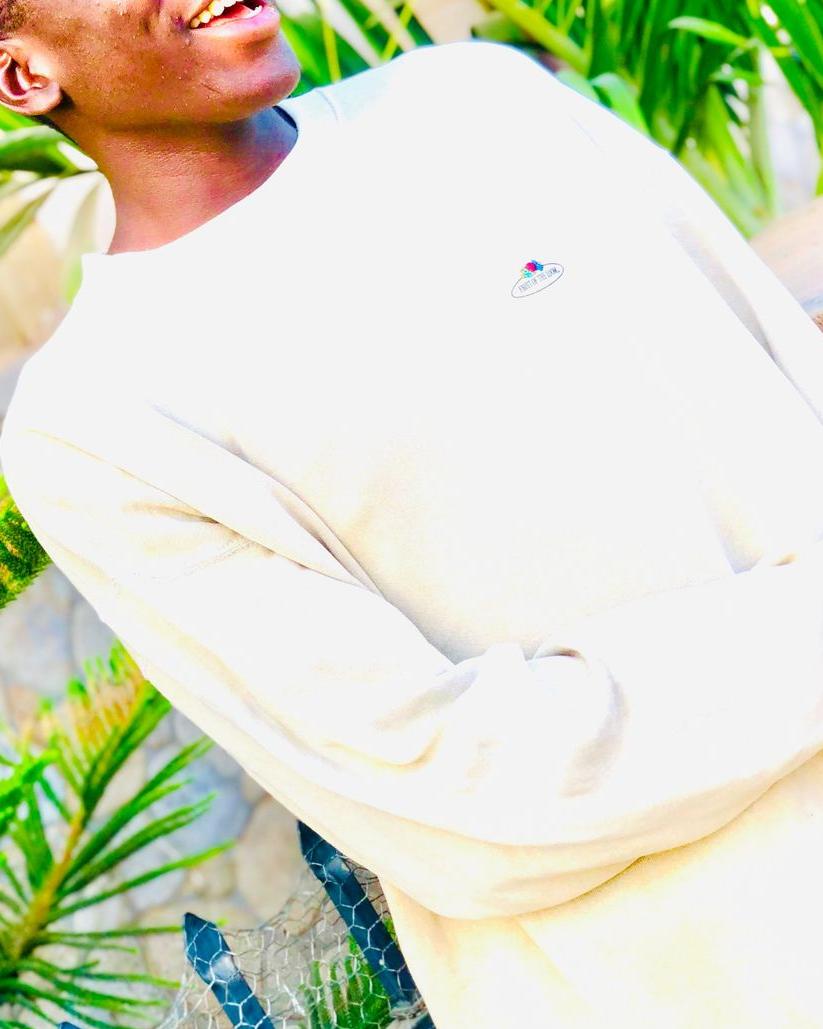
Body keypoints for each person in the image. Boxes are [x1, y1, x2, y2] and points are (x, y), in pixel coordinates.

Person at [2, 3, 823, 1024]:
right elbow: (467, 801)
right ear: (23, 75)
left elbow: (794, 394)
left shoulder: (483, 104)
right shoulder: (97, 422)